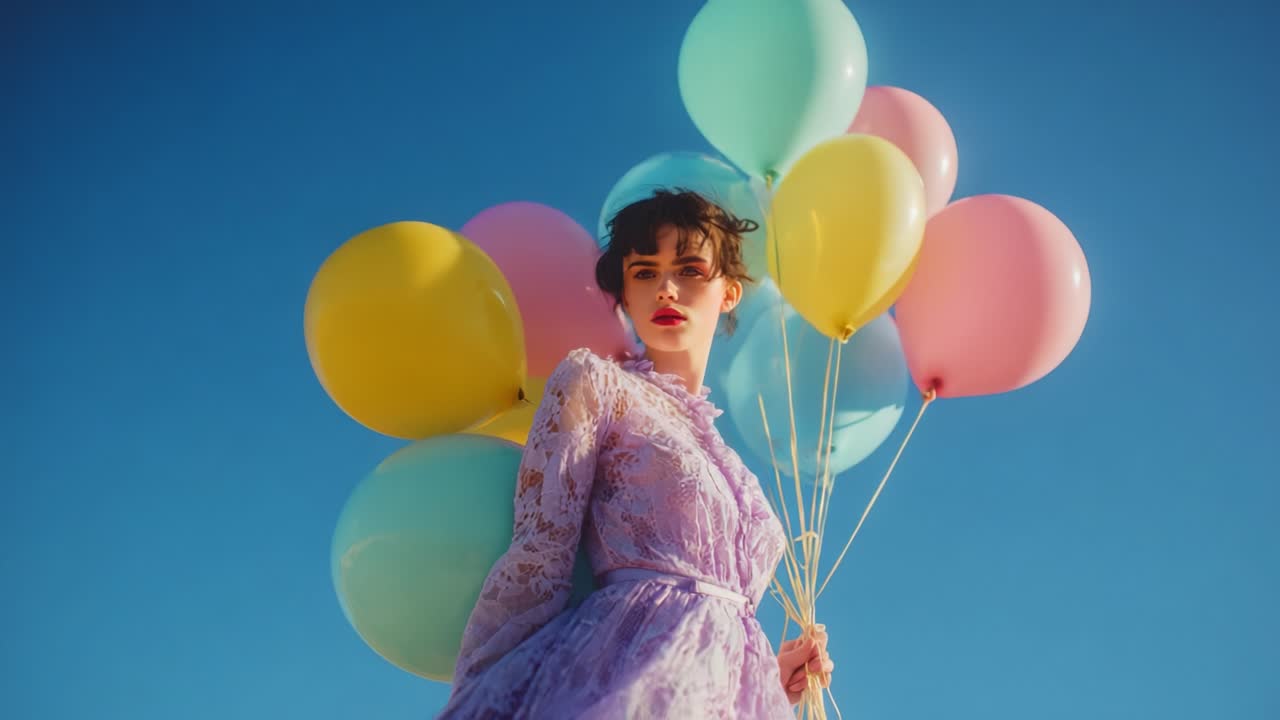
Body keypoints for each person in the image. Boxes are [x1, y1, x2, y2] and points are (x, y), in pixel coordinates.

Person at [437, 190, 833, 719]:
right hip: (626, 678)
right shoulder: (595, 384)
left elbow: (721, 618)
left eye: (690, 270)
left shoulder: (737, 470)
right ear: (623, 293)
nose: (666, 289)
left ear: (730, 292)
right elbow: (540, 557)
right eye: (644, 273)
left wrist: (769, 674)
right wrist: (489, 693)